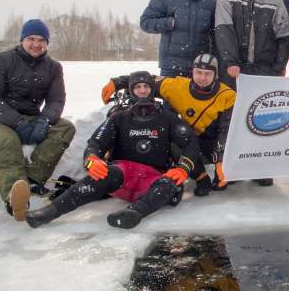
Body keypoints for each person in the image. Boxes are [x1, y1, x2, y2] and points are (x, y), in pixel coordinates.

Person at [26, 71, 202, 230]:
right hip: (123, 174)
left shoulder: (167, 117)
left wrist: (183, 168)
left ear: (152, 90)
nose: (142, 91)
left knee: (170, 184)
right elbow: (95, 143)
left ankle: (134, 214)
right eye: (137, 87)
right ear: (131, 90)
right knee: (102, 174)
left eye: (146, 86)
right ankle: (49, 212)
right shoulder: (119, 117)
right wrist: (92, 160)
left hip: (153, 179)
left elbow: (191, 143)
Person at [0, 19, 76, 220]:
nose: (36, 44)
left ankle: (32, 179)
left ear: (47, 43)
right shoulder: (2, 61)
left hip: (31, 116)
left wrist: (45, 121)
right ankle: (13, 199)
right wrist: (17, 122)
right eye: (31, 39)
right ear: (22, 39)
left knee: (65, 128)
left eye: (42, 40)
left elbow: (56, 100)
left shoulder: (53, 67)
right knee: (7, 140)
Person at [100, 53, 237, 194]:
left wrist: (221, 159)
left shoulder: (228, 95)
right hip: (189, 136)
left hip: (214, 141)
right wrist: (117, 82)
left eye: (208, 74)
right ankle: (201, 177)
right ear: (192, 72)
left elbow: (227, 130)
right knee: (176, 144)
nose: (202, 78)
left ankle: (221, 168)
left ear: (215, 75)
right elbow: (146, 80)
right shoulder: (177, 86)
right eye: (199, 72)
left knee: (227, 179)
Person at [215, 0, 289, 82]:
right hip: (233, 69)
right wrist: (231, 61)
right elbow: (223, 30)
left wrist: (278, 68)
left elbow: (284, 36)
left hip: (265, 71)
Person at [141, 0, 217, 77]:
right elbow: (145, 22)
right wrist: (168, 23)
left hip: (199, 69)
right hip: (170, 67)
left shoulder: (211, 2)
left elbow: (216, 34)